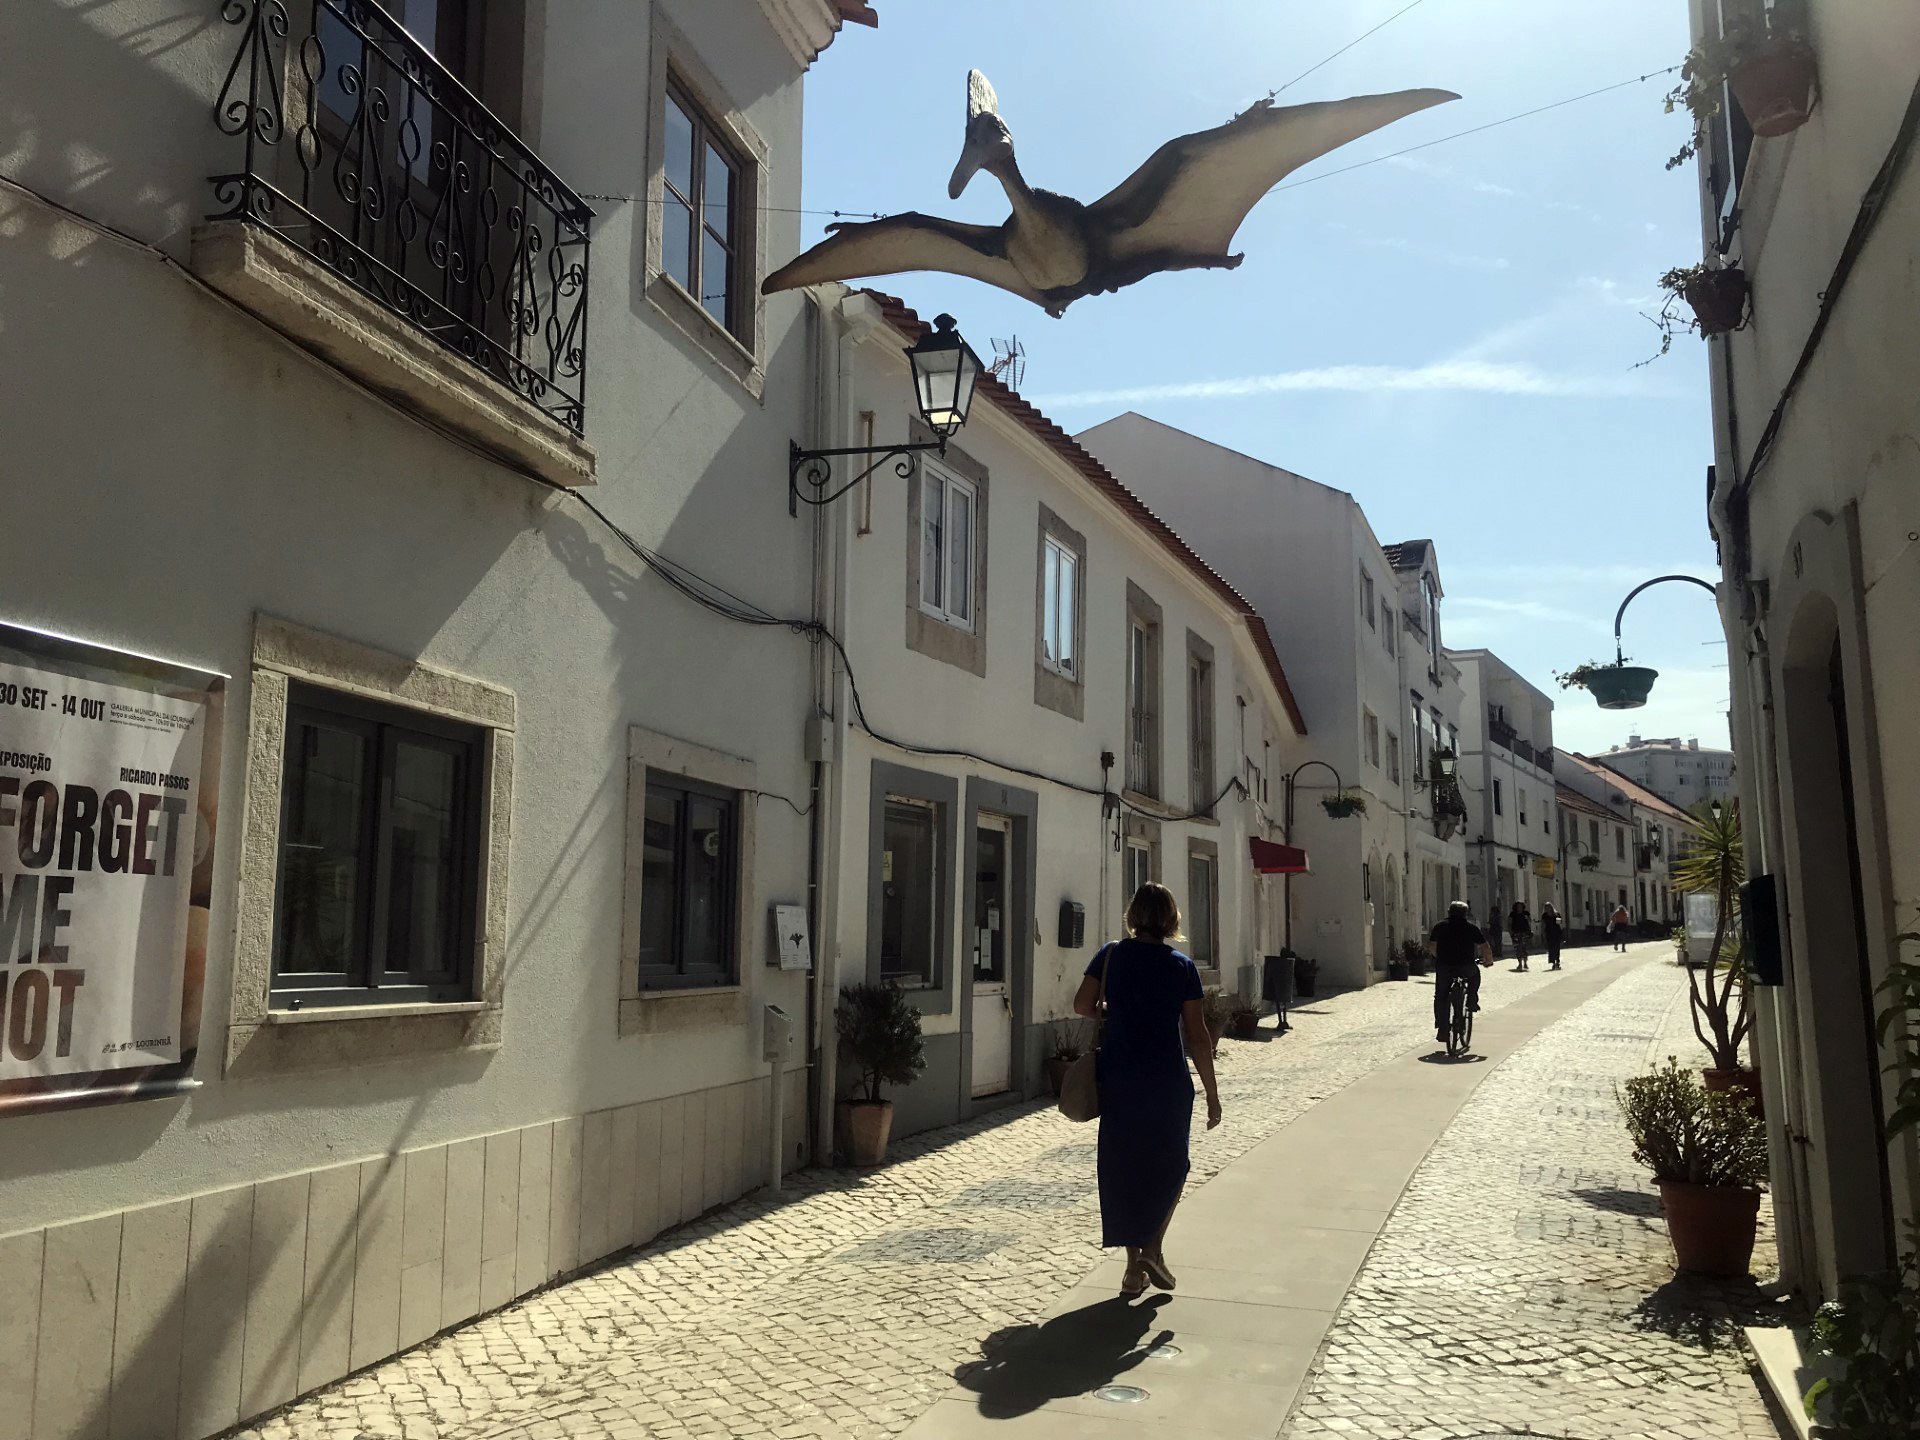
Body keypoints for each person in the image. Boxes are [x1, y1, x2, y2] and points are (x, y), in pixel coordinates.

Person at [1074, 882, 1223, 1299]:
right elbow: (1197, 1036)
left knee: (1124, 1168)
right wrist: (1212, 1093)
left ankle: (1131, 1270)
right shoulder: (1181, 966)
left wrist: (1114, 1009)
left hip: (1120, 1078)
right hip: (1166, 1080)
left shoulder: (1112, 955)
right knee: (1171, 1165)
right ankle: (1153, 1247)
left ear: (1134, 915)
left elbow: (1082, 1005)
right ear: (1172, 918)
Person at [1428, 900, 1495, 1043]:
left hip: (1445, 966)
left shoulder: (1439, 927)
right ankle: (1471, 1000)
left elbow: (1432, 946)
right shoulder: (1471, 927)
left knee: (1440, 996)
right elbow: (1485, 947)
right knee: (1475, 975)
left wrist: (1439, 957)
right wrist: (1488, 960)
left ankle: (1442, 1028)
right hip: (1466, 966)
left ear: (1449, 912)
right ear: (1465, 914)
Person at [1508, 901, 1534, 972]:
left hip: (1524, 933)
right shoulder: (1513, 914)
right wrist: (1511, 932)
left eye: (1521, 906)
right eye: (1518, 906)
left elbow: (1529, 921)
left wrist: (1527, 918)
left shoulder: (1526, 913)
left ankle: (1525, 963)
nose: (1519, 908)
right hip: (1516, 933)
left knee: (1524, 948)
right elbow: (1509, 923)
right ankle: (1520, 963)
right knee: (1518, 949)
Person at [1541, 903, 1565, 970]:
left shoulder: (1556, 914)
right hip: (1549, 933)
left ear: (1551, 907)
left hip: (1557, 933)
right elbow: (1543, 924)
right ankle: (1553, 962)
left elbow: (1560, 923)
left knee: (1556, 948)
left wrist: (1562, 934)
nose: (1547, 909)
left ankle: (1557, 961)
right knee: (1551, 949)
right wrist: (1543, 934)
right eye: (1546, 907)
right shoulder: (1544, 916)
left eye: (1548, 907)